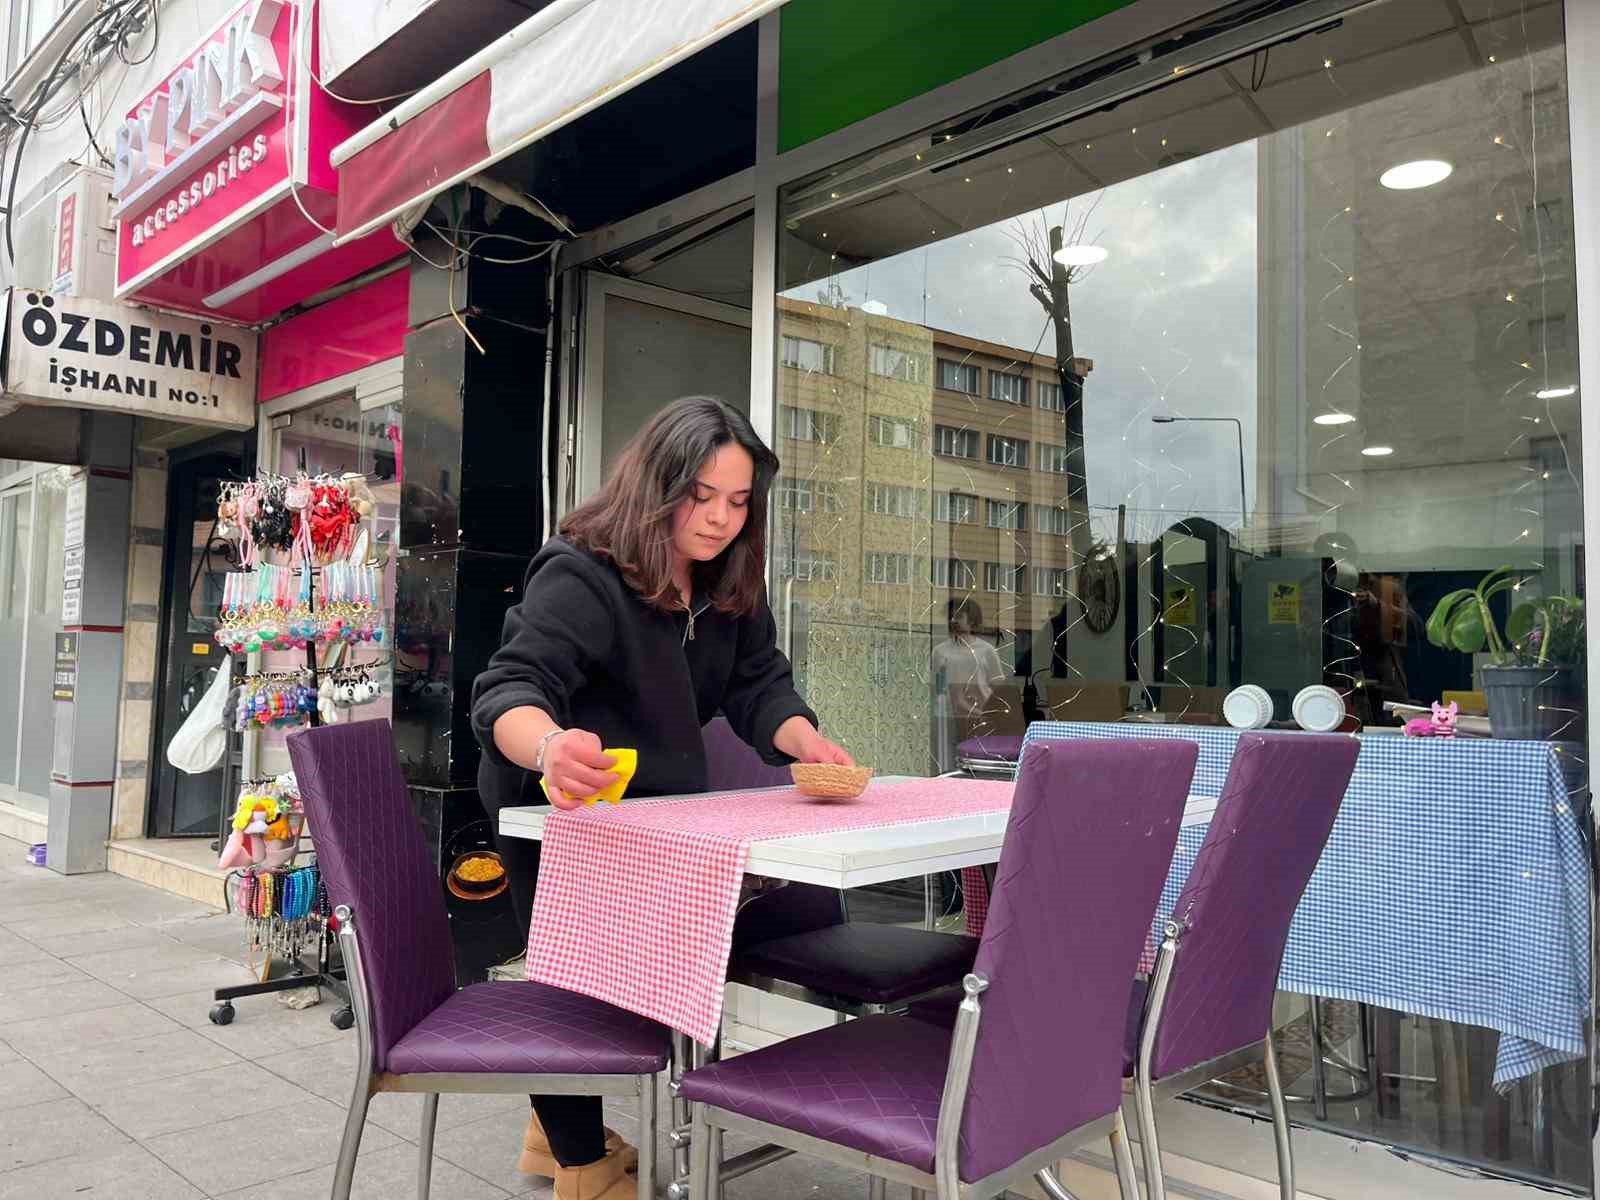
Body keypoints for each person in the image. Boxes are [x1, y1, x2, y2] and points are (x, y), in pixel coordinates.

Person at [471, 395, 852, 1200]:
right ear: (657, 485)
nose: (719, 519)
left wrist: (801, 740)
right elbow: (510, 685)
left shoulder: (726, 583)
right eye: (701, 497)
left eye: (738, 501)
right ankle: (580, 1160)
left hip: (658, 814)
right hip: (558, 803)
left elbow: (760, 687)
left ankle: (555, 1125)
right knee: (572, 978)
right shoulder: (584, 571)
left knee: (788, 918)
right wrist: (549, 745)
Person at [931, 598, 1007, 772]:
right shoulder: (940, 651)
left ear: (972, 619)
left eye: (958, 615)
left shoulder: (987, 650)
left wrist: (995, 716)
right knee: (948, 765)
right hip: (949, 717)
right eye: (951, 616)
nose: (953, 620)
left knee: (979, 765)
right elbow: (937, 687)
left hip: (980, 717)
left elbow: (999, 689)